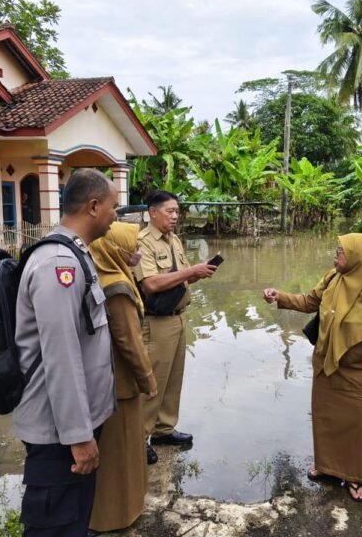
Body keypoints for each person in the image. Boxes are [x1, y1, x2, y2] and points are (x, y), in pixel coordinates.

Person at [13, 168, 119, 536]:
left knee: (72, 520)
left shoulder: (75, 254)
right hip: (59, 433)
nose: (115, 216)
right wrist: (78, 436)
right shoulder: (58, 264)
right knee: (54, 526)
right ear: (93, 206)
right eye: (112, 208)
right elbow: (61, 356)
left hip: (72, 426)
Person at [262, 233, 362, 503]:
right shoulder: (332, 279)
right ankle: (328, 467)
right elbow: (308, 302)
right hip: (326, 366)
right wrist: (280, 296)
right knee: (326, 422)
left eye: (341, 251)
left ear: (358, 257)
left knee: (356, 428)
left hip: (358, 375)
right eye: (337, 250)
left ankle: (356, 475)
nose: (335, 255)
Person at [134, 190, 217, 465]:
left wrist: (198, 273)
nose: (174, 216)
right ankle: (139, 437)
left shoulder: (175, 240)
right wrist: (190, 271)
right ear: (152, 212)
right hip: (156, 322)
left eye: (177, 211)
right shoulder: (142, 242)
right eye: (169, 211)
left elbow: (179, 280)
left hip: (178, 317)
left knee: (173, 379)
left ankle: (163, 430)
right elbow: (152, 284)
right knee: (153, 382)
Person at [88, 223, 158, 532]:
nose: (138, 252)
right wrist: (149, 380)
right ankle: (116, 514)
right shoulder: (117, 287)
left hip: (102, 380)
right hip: (120, 385)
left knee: (113, 451)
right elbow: (130, 342)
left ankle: (106, 511)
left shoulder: (98, 276)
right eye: (133, 246)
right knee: (120, 452)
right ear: (115, 250)